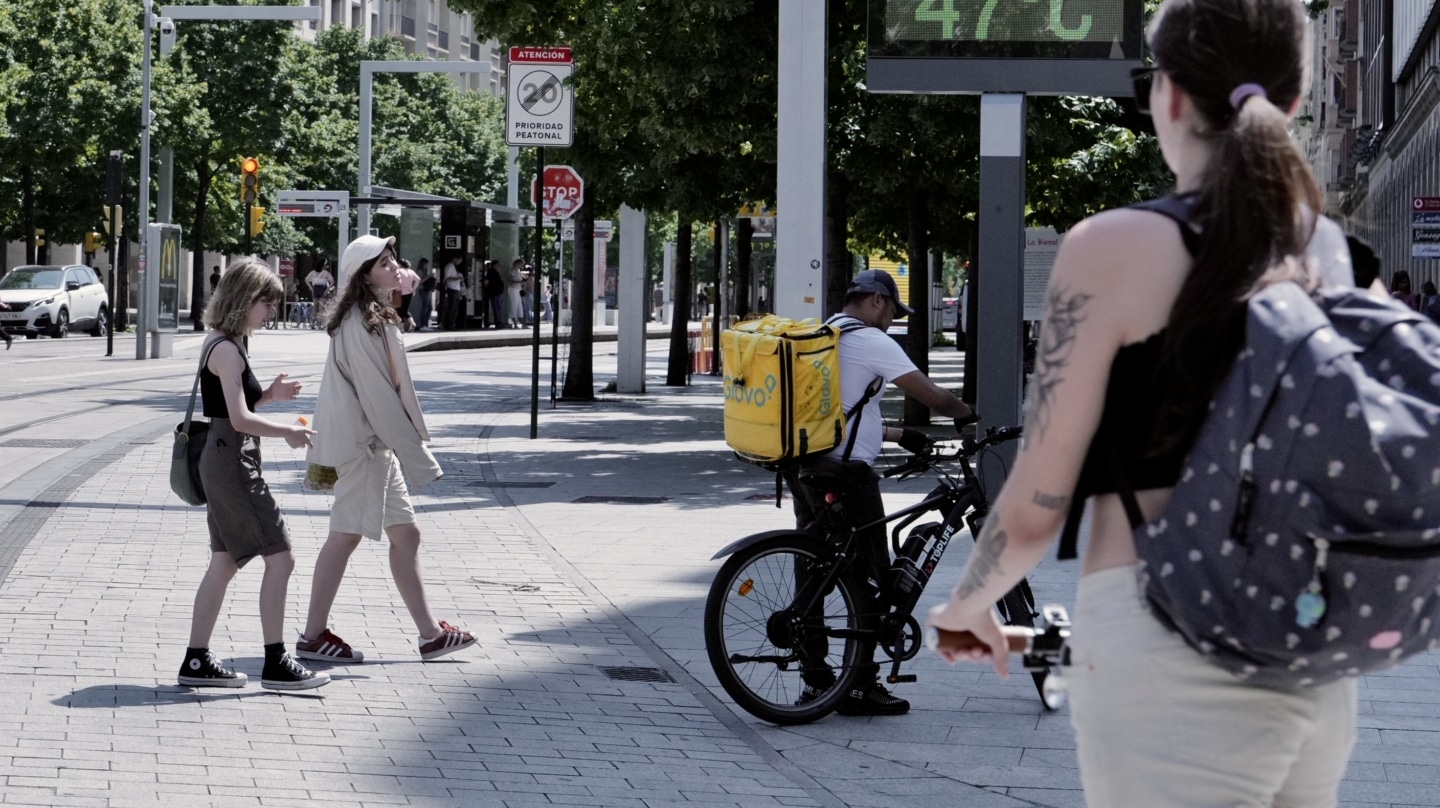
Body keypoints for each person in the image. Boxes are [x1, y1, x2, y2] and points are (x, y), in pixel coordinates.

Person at [925, 2, 1360, 805]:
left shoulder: (1112, 248)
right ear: (1292, 103)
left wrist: (966, 605)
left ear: (1166, 96)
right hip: (1309, 652)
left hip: (1166, 648)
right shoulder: (1323, 248)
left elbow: (1035, 507)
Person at [787, 269, 976, 717]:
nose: (893, 319)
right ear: (876, 301)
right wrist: (968, 412)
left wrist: (897, 432)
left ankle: (816, 681)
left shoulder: (825, 332)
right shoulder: (872, 340)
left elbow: (839, 410)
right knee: (872, 576)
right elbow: (932, 395)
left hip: (807, 466)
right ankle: (860, 687)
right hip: (849, 476)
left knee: (815, 570)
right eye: (893, 310)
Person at [298, 235, 476, 664]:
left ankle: (430, 634)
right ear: (364, 276)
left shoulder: (371, 317)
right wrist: (418, 455)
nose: (394, 266)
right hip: (364, 443)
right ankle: (312, 634)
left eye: (392, 258)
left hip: (374, 443)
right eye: (383, 263)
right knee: (345, 536)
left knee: (406, 534)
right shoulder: (363, 323)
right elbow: (379, 398)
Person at [177, 258, 330, 692]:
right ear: (245, 300)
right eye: (267, 303)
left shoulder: (226, 342)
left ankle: (195, 660)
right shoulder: (226, 349)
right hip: (232, 463)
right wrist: (289, 431)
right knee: (281, 556)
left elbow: (233, 410)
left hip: (223, 458)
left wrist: (271, 396)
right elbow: (239, 421)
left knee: (224, 562)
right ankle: (276, 662)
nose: (271, 312)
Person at [440, 256, 464, 331]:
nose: (459, 263)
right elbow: (446, 279)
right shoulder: (449, 266)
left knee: (454, 308)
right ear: (455, 259)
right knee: (451, 308)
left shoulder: (453, 267)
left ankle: (452, 324)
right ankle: (448, 324)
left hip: (455, 289)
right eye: (459, 261)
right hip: (452, 289)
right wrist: (457, 278)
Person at [396, 258, 418, 332]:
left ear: (400, 264)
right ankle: (412, 323)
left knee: (400, 310)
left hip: (400, 292)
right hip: (409, 293)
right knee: (405, 310)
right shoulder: (411, 271)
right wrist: (413, 289)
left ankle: (401, 328)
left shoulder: (399, 271)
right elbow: (418, 279)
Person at [483, 260, 505, 328]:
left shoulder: (495, 272)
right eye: (498, 265)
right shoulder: (491, 271)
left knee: (499, 308)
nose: (499, 267)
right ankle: (498, 322)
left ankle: (499, 322)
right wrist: (488, 289)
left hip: (498, 292)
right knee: (497, 308)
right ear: (495, 265)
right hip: (495, 293)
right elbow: (486, 281)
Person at [416, 257, 435, 330]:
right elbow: (420, 281)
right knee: (425, 308)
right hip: (423, 290)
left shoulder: (424, 271)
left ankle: (426, 324)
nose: (426, 266)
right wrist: (429, 277)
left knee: (429, 308)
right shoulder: (420, 271)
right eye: (426, 264)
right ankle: (423, 324)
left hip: (427, 290)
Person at [506, 258, 525, 328]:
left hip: (518, 289)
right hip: (513, 289)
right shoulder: (513, 271)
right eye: (520, 264)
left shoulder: (518, 271)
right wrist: (520, 282)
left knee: (519, 305)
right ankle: (515, 323)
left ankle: (522, 322)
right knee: (514, 305)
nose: (521, 266)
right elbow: (510, 281)